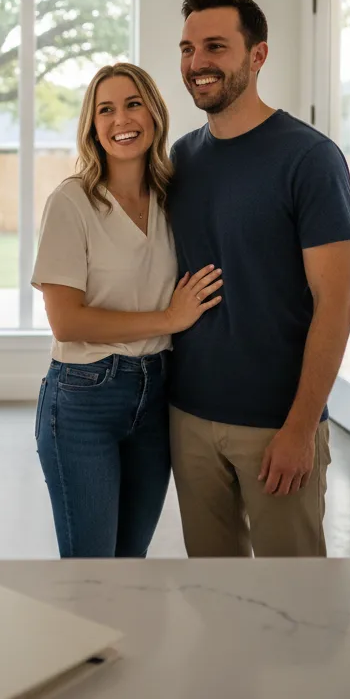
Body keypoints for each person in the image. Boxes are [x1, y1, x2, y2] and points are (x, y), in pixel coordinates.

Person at [168, 0, 350, 557]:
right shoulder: (181, 158)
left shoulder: (309, 158)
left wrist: (300, 428)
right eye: (188, 49)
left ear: (258, 55)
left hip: (277, 423)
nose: (197, 62)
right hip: (189, 416)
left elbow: (335, 302)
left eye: (216, 46)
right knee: (212, 589)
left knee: (294, 596)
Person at [32, 63, 223, 558]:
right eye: (106, 109)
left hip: (158, 396)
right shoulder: (72, 202)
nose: (121, 119)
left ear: (154, 113)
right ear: (92, 126)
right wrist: (168, 320)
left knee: (131, 564)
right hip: (84, 400)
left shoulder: (171, 199)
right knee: (91, 569)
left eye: (133, 104)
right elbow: (66, 321)